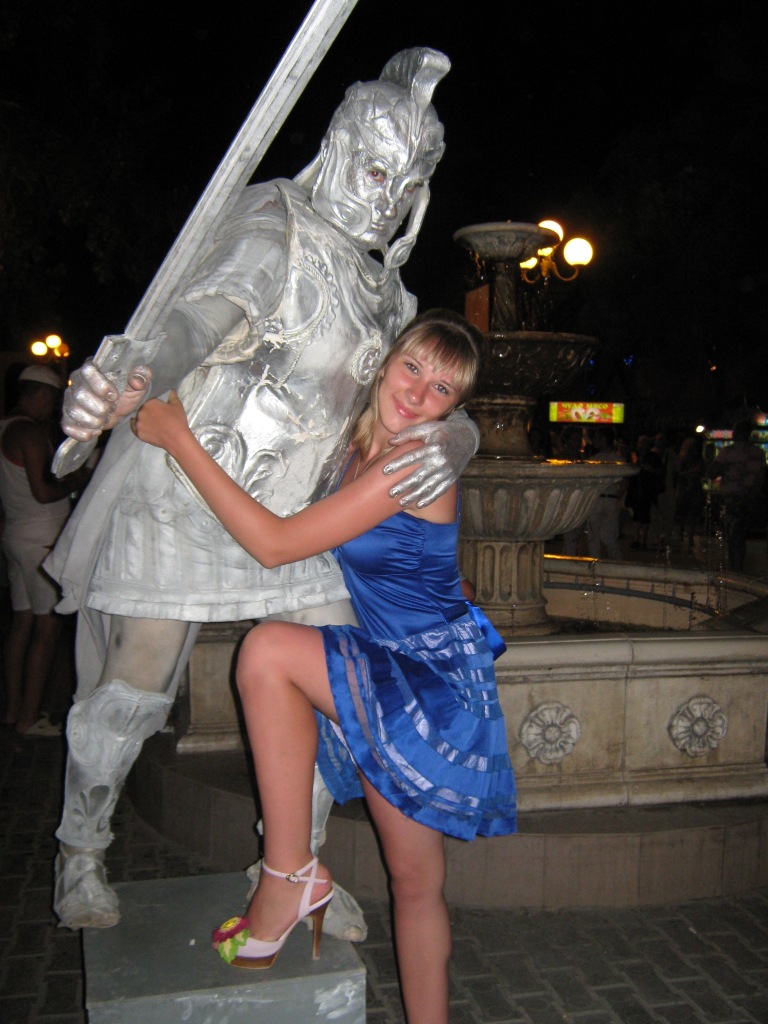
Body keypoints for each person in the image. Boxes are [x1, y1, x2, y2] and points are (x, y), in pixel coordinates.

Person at [44, 48, 481, 933]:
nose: (388, 198)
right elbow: (192, 324)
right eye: (375, 170)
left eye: (407, 183)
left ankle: (292, 865)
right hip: (183, 492)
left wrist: (458, 438)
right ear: (339, 146)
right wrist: (132, 379)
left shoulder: (390, 296)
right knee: (136, 683)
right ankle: (79, 850)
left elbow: (437, 391)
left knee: (337, 685)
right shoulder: (271, 225)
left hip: (298, 516)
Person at [132, 309, 516, 1024]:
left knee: (269, 653)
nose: (417, 394)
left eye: (441, 390)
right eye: (412, 369)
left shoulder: (410, 461)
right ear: (386, 362)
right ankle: (292, 879)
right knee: (415, 881)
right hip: (390, 666)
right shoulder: (359, 443)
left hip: (425, 683)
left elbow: (276, 545)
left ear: (453, 406)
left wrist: (179, 438)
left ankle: (288, 877)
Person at [0, 366, 90, 736]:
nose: (52, 409)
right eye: (51, 400)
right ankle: (28, 717)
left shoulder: (4, 428)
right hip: (41, 538)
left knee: (21, 624)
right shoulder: (30, 432)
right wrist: (77, 482)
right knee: (46, 629)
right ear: (41, 394)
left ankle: (12, 710)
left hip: (15, 533)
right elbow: (43, 492)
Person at [706, 421, 766, 571]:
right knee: (741, 536)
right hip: (751, 499)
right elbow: (761, 477)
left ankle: (735, 568)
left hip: (732, 499)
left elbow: (712, 473)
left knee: (733, 536)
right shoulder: (758, 453)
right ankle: (738, 566)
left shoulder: (728, 452)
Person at [584, 426, 627, 560]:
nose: (594, 441)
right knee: (609, 537)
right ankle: (617, 564)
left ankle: (596, 565)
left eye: (597, 437)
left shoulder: (593, 460)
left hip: (596, 500)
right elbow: (624, 483)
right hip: (611, 499)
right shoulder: (618, 460)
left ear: (603, 439)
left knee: (593, 538)